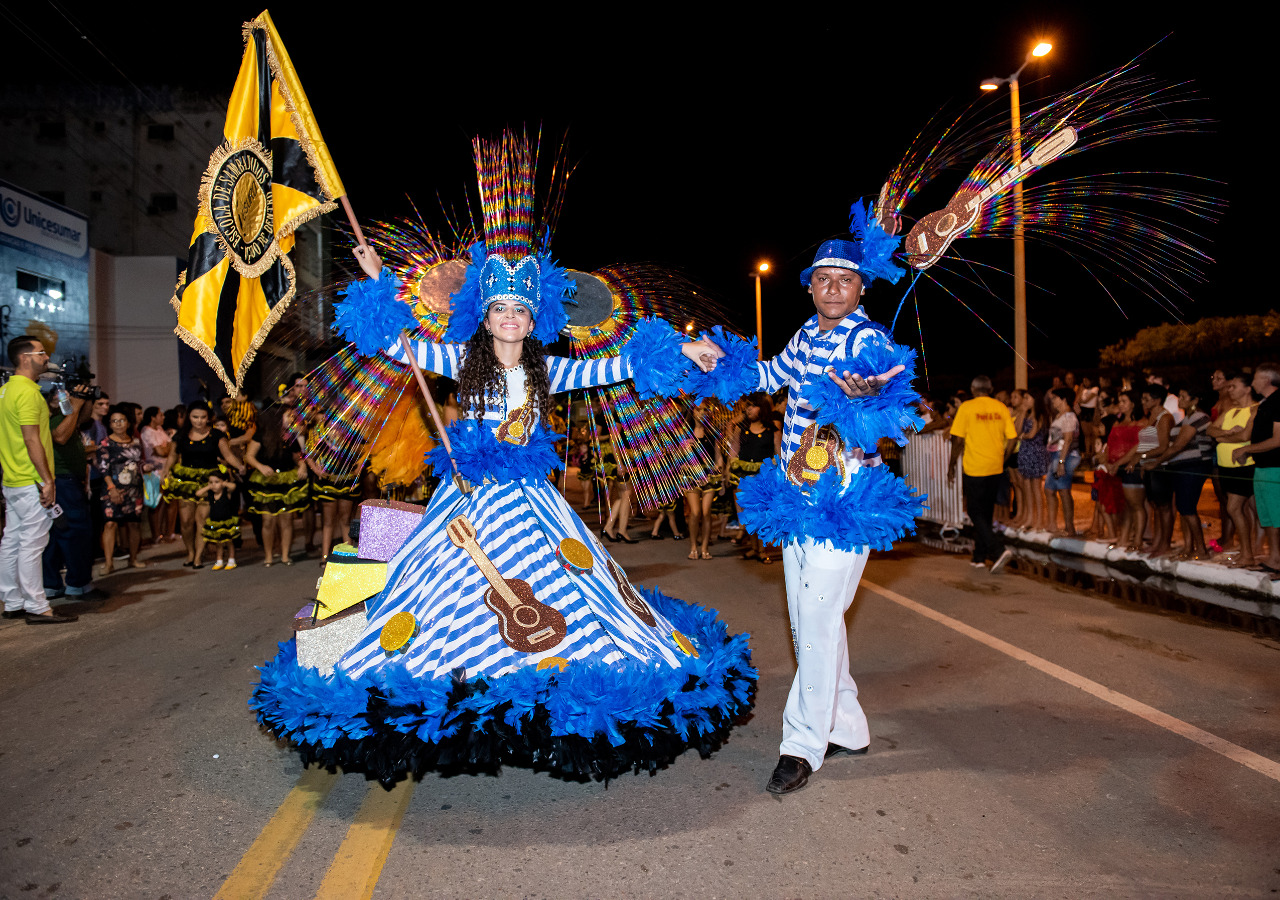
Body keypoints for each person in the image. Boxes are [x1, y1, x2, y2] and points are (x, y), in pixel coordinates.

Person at [251, 132, 750, 782]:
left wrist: (686, 351)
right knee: (440, 599)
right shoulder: (459, 361)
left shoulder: (550, 369)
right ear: (483, 316)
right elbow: (392, 344)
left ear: (533, 315)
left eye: (520, 307)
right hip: (467, 501)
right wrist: (377, 284)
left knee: (566, 591)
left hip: (536, 508)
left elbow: (619, 363)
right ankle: (454, 688)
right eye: (500, 308)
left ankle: (555, 690)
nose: (511, 317)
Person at [693, 205, 922, 795]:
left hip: (843, 502)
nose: (832, 287)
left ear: (860, 286)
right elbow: (771, 377)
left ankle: (802, 745)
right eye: (823, 278)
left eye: (844, 279)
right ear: (811, 286)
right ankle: (846, 724)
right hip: (796, 496)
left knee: (815, 618)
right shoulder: (807, 334)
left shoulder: (868, 337)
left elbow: (890, 387)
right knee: (810, 619)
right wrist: (726, 365)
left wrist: (874, 393)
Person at [0, 336, 77, 623]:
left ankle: (12, 601)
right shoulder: (29, 393)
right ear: (25, 358)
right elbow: (32, 439)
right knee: (33, 544)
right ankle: (37, 606)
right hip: (32, 479)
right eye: (41, 353)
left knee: (12, 541)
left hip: (13, 478)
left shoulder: (6, 391)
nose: (47, 358)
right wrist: (48, 480)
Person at [160, 401, 243, 568]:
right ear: (189, 417)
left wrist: (240, 466)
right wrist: (165, 471)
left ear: (208, 418)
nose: (199, 421)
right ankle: (190, 551)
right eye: (195, 417)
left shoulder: (217, 435)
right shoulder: (181, 436)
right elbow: (171, 457)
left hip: (210, 481)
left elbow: (228, 456)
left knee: (202, 520)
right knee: (185, 522)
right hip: (185, 481)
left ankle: (197, 556)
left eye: (203, 417)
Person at [41, 379, 102, 603]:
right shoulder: (47, 418)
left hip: (66, 480)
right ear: (50, 400)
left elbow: (84, 418)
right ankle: (78, 584)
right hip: (62, 480)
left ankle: (52, 585)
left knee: (57, 533)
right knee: (76, 530)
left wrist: (85, 399)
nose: (66, 398)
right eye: (61, 395)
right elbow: (60, 436)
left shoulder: (63, 415)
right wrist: (75, 406)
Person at [948, 376, 1016, 570]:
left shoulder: (967, 408)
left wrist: (951, 465)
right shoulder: (1001, 407)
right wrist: (1003, 458)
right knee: (985, 513)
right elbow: (1012, 438)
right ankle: (979, 557)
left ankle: (997, 549)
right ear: (991, 388)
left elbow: (958, 440)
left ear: (972, 388)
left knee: (974, 511)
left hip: (975, 468)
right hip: (995, 467)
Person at [244, 381, 309, 567]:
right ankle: (268, 556)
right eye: (288, 416)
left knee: (287, 519)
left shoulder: (290, 436)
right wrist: (261, 467)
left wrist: (302, 466)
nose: (292, 419)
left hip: (286, 478)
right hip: (267, 480)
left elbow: (299, 456)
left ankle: (286, 555)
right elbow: (249, 456)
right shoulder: (263, 435)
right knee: (267, 520)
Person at [1149, 386, 1213, 559]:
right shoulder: (1187, 418)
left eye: (1184, 396)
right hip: (1182, 467)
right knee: (1184, 508)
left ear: (1195, 400)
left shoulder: (1199, 417)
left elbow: (1178, 445)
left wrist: (1156, 462)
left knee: (1187, 508)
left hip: (1193, 466)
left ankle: (1201, 549)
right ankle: (1189, 547)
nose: (1180, 399)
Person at [1232, 364, 1280, 575]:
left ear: (1267, 380)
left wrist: (1247, 449)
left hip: (1275, 467)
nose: (1252, 383)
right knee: (1268, 516)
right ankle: (1274, 557)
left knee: (1276, 515)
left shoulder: (1279, 401)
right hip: (1262, 466)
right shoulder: (1265, 403)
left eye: (1256, 378)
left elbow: (1278, 439)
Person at [1210, 374, 1259, 567]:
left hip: (1244, 465)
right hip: (1225, 466)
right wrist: (1227, 433)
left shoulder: (1255, 409)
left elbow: (1246, 435)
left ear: (1247, 389)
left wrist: (1223, 438)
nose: (1229, 390)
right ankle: (1246, 551)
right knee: (1240, 509)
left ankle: (1248, 553)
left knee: (1234, 508)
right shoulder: (1230, 410)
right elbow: (1211, 430)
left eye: (1233, 386)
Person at [96, 405, 151, 573]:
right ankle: (108, 563)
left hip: (134, 488)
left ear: (128, 423)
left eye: (122, 420)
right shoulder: (105, 443)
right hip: (112, 489)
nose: (118, 424)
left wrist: (145, 467)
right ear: (109, 424)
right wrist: (111, 488)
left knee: (134, 524)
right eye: (114, 421)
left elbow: (138, 462)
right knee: (110, 523)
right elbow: (103, 468)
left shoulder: (135, 441)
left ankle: (133, 558)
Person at [729, 392, 781, 563]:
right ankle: (753, 548)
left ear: (762, 408)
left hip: (763, 478)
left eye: (752, 406)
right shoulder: (741, 429)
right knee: (747, 514)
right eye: (747, 406)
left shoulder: (772, 430)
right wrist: (729, 469)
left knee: (762, 514)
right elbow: (734, 450)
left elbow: (778, 453)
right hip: (744, 477)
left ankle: (763, 550)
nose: (748, 409)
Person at [1104, 390, 1147, 552]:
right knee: (1124, 506)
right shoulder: (1117, 423)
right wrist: (1107, 461)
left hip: (1132, 467)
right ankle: (1123, 537)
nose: (1120, 404)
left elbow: (1140, 446)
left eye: (1124, 401)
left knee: (1136, 505)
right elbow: (1110, 444)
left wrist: (1119, 463)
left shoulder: (1143, 423)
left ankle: (1137, 540)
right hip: (1116, 467)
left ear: (1133, 404)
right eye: (1119, 401)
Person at [684, 402, 724, 560]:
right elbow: (678, 460)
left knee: (706, 512)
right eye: (698, 409)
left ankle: (705, 548)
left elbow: (719, 458)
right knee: (695, 512)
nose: (701, 412)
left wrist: (718, 471)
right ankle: (693, 546)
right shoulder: (685, 434)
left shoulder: (712, 434)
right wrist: (684, 448)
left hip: (709, 477)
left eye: (704, 410)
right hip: (691, 478)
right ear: (693, 412)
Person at [1044, 387, 1082, 536]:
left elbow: (1068, 439)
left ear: (1064, 399)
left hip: (1064, 455)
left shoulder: (1068, 416)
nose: (1053, 401)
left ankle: (1069, 527)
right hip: (1056, 455)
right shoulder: (1060, 415)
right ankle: (1053, 524)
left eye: (1055, 398)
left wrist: (1061, 461)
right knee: (1050, 489)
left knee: (1063, 490)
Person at [1013, 389, 1049, 530]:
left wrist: (1022, 436)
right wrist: (1022, 412)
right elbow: (1016, 431)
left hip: (1035, 454)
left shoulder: (1039, 417)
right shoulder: (1027, 416)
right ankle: (1029, 518)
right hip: (1026, 452)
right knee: (1026, 487)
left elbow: (1031, 434)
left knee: (1036, 489)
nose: (1025, 401)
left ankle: (1039, 520)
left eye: (1027, 398)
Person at [196, 467, 239, 570]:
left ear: (223, 482)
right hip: (215, 522)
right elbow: (198, 493)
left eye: (216, 482)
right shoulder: (210, 494)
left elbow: (233, 486)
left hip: (226, 521)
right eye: (211, 482)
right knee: (218, 543)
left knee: (229, 541)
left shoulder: (226, 493)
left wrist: (224, 484)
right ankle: (219, 560)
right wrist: (208, 487)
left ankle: (231, 560)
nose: (214, 485)